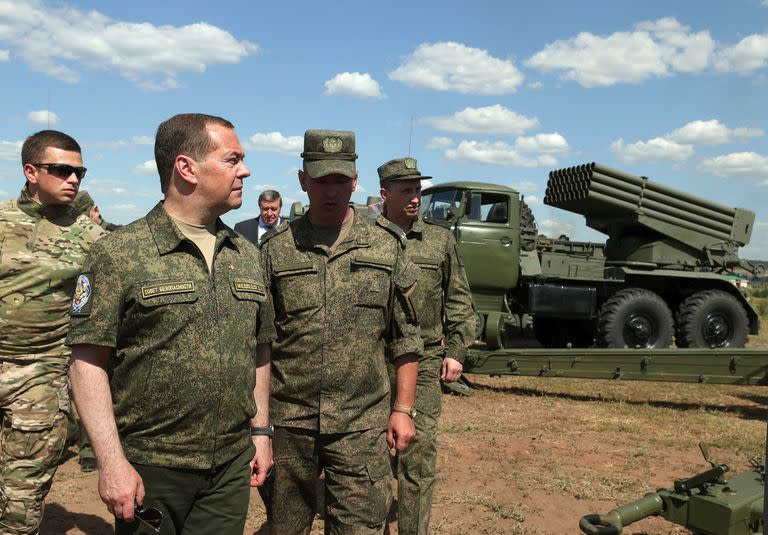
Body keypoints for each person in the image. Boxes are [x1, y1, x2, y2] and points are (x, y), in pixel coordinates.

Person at [67, 113, 276, 535]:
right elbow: (86, 360)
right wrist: (111, 463)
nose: (246, 170)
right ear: (186, 168)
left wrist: (262, 431)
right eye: (232, 159)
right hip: (151, 468)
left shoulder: (247, 254)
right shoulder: (119, 254)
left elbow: (259, 348)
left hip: (230, 467)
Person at [259, 130, 422, 535]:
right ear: (302, 180)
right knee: (285, 528)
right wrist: (259, 425)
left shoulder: (386, 246)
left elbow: (405, 337)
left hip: (361, 424)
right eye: (320, 181)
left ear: (355, 180)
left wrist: (402, 410)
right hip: (290, 423)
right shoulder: (275, 249)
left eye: (340, 181)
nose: (331, 191)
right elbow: (258, 342)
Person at [0, 130, 106, 534]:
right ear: (30, 171)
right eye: (62, 170)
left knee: (22, 493)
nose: (73, 179)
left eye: (79, 171)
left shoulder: (91, 238)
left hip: (39, 375)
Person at [378, 157, 475, 535]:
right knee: (372, 459)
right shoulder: (367, 239)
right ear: (385, 193)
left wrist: (456, 351)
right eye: (406, 190)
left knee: (417, 460)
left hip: (426, 360)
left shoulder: (440, 238)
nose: (415, 197)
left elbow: (460, 301)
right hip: (374, 362)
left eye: (418, 189)